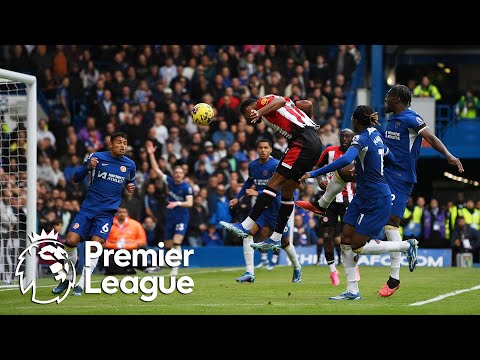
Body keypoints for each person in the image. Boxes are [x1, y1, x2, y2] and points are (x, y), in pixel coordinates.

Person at [297, 84, 464, 297]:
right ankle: (322, 205)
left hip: (401, 178)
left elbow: (431, 138)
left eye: (388, 96)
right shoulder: (388, 122)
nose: (385, 100)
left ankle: (395, 276)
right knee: (346, 176)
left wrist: (448, 155)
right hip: (383, 171)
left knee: (390, 223)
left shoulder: (412, 119)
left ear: (397, 98)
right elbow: (385, 150)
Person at [301, 105, 419, 300]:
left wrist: (313, 173)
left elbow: (345, 159)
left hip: (376, 198)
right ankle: (352, 291)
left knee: (357, 245)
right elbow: (390, 158)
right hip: (362, 196)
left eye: (352, 120)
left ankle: (406, 246)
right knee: (344, 240)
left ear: (356, 120)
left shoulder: (361, 137)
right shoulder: (376, 134)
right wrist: (368, 168)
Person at [220, 94, 323, 284]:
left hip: (302, 142)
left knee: (273, 183)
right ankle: (275, 237)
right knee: (287, 189)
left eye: (247, 115)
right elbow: (307, 104)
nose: (250, 119)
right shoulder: (270, 114)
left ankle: (245, 225)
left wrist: (258, 110)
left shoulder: (262, 103)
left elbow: (281, 101)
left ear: (251, 107)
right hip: (311, 141)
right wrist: (308, 121)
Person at [52, 132, 136, 296]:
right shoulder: (96, 157)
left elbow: (131, 180)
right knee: (70, 240)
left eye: (125, 143)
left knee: (95, 245)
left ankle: (82, 284)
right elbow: (76, 178)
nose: (123, 146)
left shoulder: (130, 164)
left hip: (106, 212)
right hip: (88, 208)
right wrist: (88, 167)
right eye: (119, 142)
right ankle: (68, 278)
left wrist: (131, 186)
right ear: (110, 144)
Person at [227, 138, 302, 283]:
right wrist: (238, 197)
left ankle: (297, 267)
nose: (263, 150)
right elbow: (249, 182)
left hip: (276, 210)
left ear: (270, 150)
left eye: (266, 148)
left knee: (285, 243)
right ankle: (250, 272)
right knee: (247, 234)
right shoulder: (253, 165)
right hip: (261, 210)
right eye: (260, 148)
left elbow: (279, 189)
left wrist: (258, 192)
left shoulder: (276, 165)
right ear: (257, 149)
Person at [303, 128, 355, 286]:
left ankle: (352, 267)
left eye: (348, 137)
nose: (345, 139)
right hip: (329, 200)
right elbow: (317, 169)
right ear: (339, 138)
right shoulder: (329, 151)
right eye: (343, 136)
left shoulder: (356, 154)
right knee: (327, 235)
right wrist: (319, 180)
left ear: (353, 139)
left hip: (348, 200)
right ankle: (333, 271)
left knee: (347, 237)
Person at [146, 140, 193, 276]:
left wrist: (177, 203)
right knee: (168, 245)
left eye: (180, 173)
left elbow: (189, 203)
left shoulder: (186, 187)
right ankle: (169, 262)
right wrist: (151, 155)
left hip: (182, 217)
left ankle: (175, 269)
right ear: (173, 174)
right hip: (170, 217)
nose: (178, 174)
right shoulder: (170, 181)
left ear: (183, 174)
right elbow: (156, 170)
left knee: (177, 242)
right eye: (176, 172)